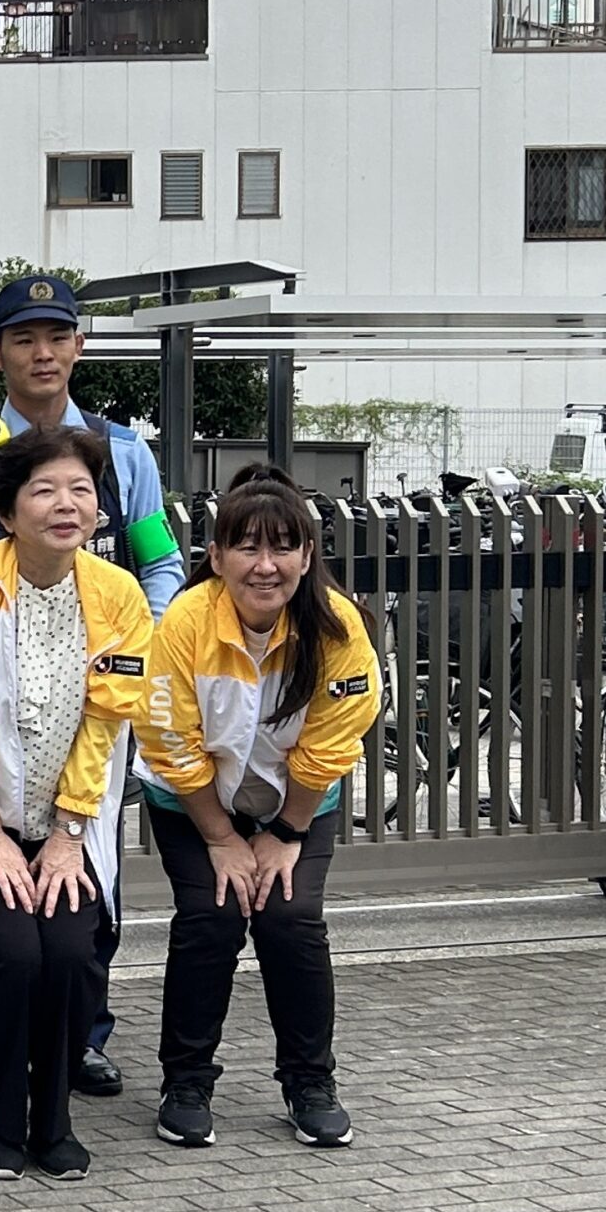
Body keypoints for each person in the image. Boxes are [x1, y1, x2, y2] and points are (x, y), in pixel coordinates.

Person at [0, 272, 185, 1099]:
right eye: (24, 339)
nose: (43, 353)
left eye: (57, 336)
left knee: (87, 883)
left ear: (78, 348)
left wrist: (134, 641)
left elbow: (159, 558)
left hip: (93, 705)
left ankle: (81, 1034)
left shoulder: (124, 455)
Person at [0, 427, 153, 1181]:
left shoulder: (119, 594)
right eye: (44, 490)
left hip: (67, 819)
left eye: (81, 490)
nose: (66, 504)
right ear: (8, 512)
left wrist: (70, 832)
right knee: (13, 953)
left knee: (72, 955)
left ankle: (52, 1119)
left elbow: (109, 717)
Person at [131, 465, 380, 1151]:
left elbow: (332, 740)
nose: (264, 566)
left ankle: (310, 1082)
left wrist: (287, 832)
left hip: (296, 803)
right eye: (246, 547)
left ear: (307, 555)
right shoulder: (185, 621)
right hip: (191, 803)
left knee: (290, 920)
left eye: (282, 548)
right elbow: (169, 738)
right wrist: (220, 838)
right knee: (211, 917)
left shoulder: (339, 629)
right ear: (216, 557)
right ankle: (185, 1082)